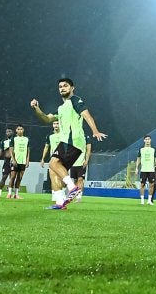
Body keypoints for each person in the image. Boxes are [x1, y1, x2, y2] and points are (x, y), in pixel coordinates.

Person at [31, 77, 107, 210]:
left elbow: (86, 115)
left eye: (65, 86)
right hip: (67, 142)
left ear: (72, 88)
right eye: (60, 86)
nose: (62, 88)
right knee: (53, 170)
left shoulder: (75, 100)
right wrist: (37, 109)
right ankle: (60, 203)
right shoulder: (61, 108)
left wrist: (95, 131)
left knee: (53, 163)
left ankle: (72, 188)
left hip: (73, 140)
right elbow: (46, 119)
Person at [7, 125, 31, 200]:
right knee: (12, 177)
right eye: (18, 129)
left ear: (23, 130)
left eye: (21, 129)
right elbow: (11, 150)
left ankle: (16, 194)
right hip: (15, 161)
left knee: (19, 178)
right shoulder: (13, 139)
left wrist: (27, 160)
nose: (20, 130)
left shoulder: (26, 139)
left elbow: (28, 150)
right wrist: (13, 159)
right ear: (16, 130)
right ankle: (9, 193)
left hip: (23, 161)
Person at [136, 135, 156, 205]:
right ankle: (142, 200)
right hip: (143, 170)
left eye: (148, 139)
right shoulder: (141, 150)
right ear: (144, 140)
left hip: (151, 170)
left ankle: (149, 200)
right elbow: (138, 159)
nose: (147, 140)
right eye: (146, 139)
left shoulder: (153, 149)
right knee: (142, 184)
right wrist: (136, 168)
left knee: (151, 185)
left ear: (150, 140)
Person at [0, 127, 14, 198]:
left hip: (13, 160)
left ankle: (9, 193)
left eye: (9, 131)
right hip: (6, 161)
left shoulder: (15, 140)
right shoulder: (3, 141)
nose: (8, 133)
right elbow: (0, 151)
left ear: (12, 132)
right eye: (7, 132)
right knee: (4, 176)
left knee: (12, 177)